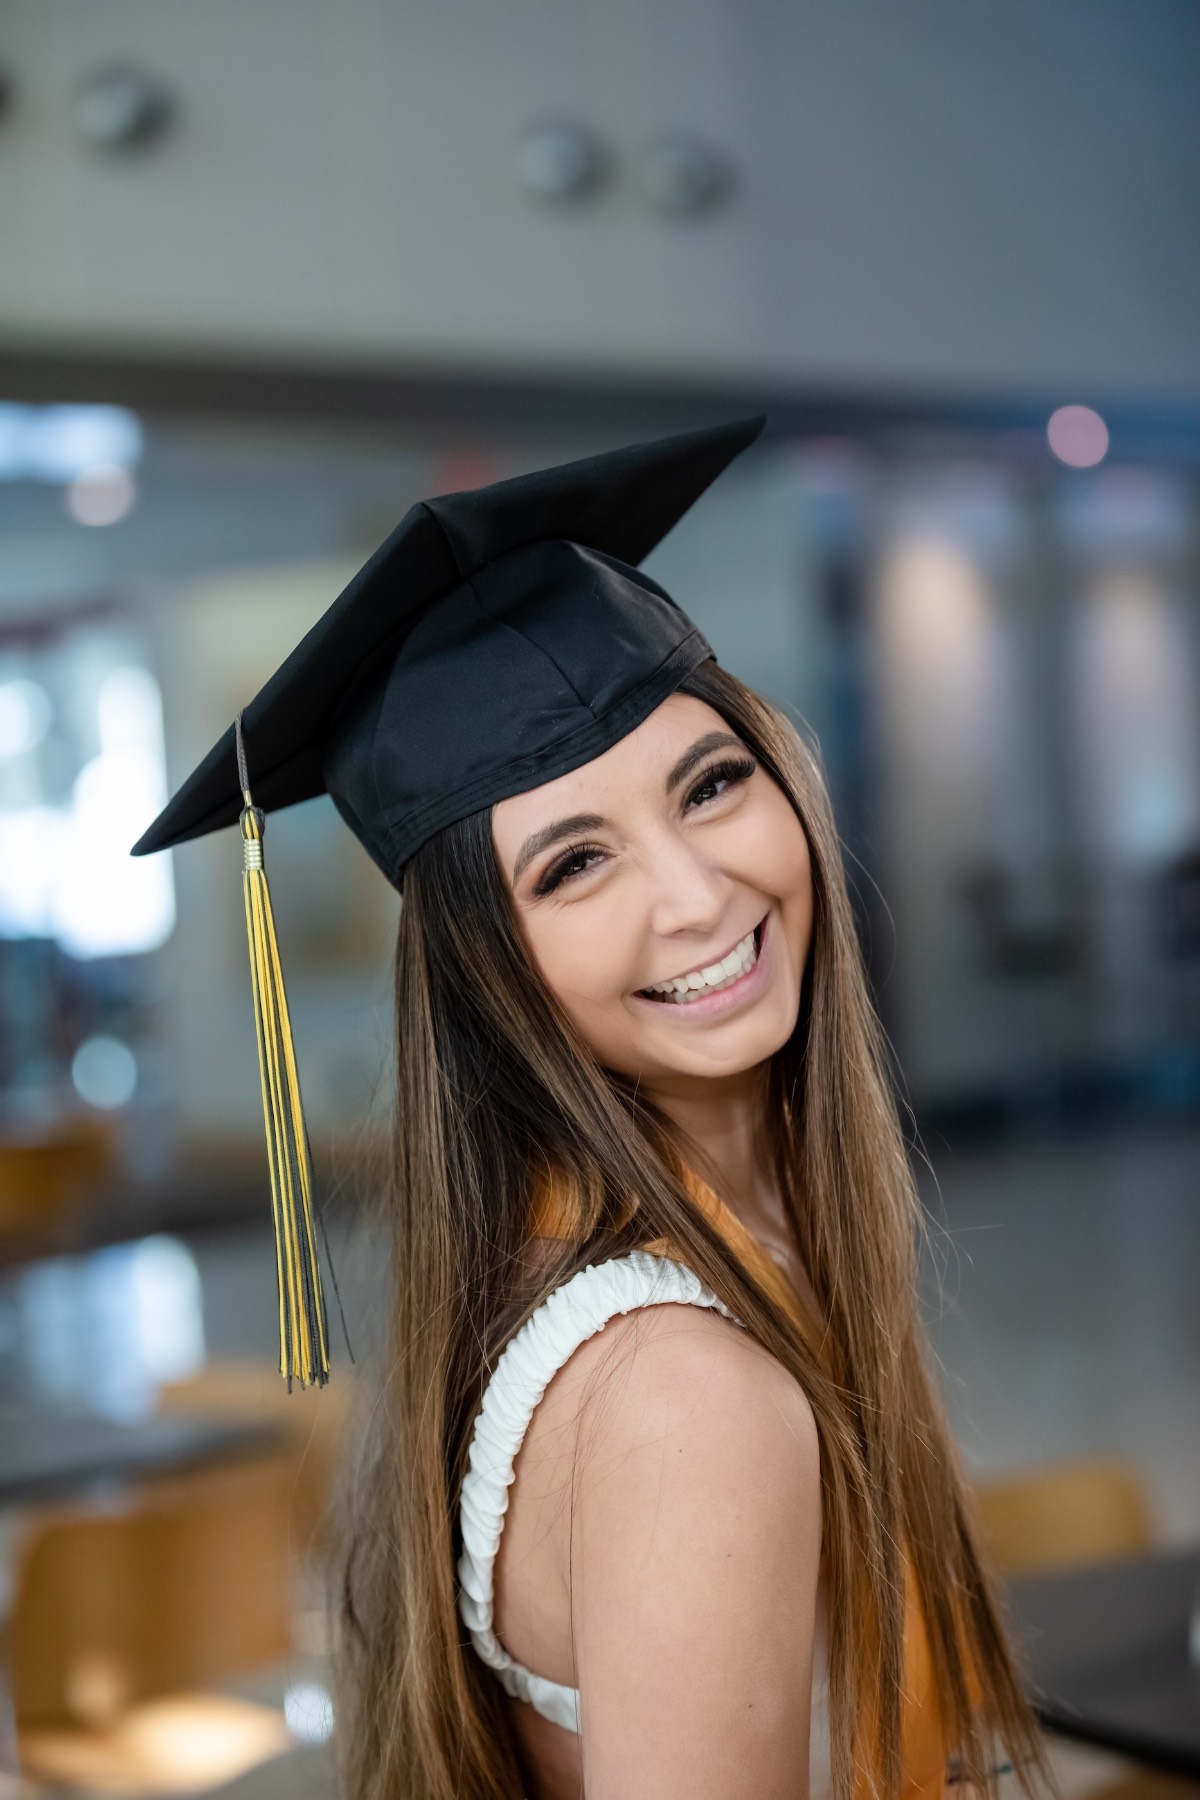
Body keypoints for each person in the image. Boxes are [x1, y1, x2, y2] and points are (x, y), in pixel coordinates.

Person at [134, 418, 1046, 1800]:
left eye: (713, 783)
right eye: (574, 866)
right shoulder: (682, 1395)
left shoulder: (600, 1283)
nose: (694, 895)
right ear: (483, 968)